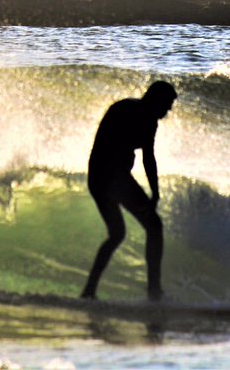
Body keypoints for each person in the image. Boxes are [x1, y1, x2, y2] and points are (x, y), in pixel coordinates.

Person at [80, 80, 177, 301]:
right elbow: (143, 156)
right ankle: (154, 291)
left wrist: (154, 192)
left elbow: (147, 157)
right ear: (156, 100)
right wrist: (151, 193)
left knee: (117, 234)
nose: (168, 110)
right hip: (111, 178)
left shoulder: (138, 113)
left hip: (98, 178)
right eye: (167, 104)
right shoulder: (133, 113)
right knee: (154, 226)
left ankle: (89, 291)